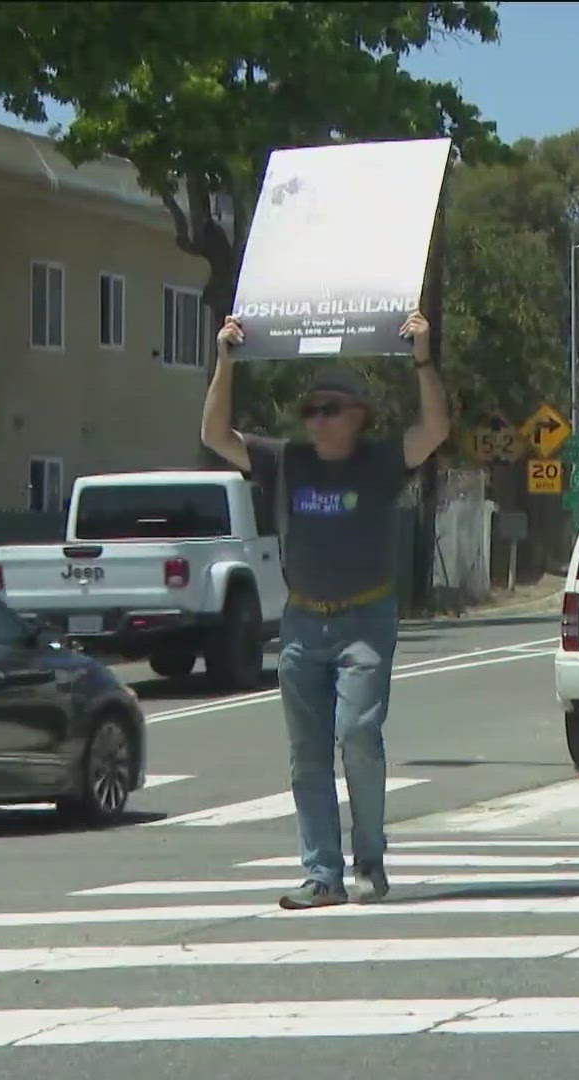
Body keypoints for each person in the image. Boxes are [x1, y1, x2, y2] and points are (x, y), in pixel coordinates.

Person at [200, 311, 450, 910]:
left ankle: (369, 859)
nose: (319, 419)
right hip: (301, 623)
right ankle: (321, 874)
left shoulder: (380, 462)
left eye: (331, 409)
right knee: (306, 755)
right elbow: (216, 435)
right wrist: (225, 362)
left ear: (360, 414)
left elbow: (435, 429)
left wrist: (421, 358)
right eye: (312, 410)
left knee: (359, 735)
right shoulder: (285, 460)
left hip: (365, 620)